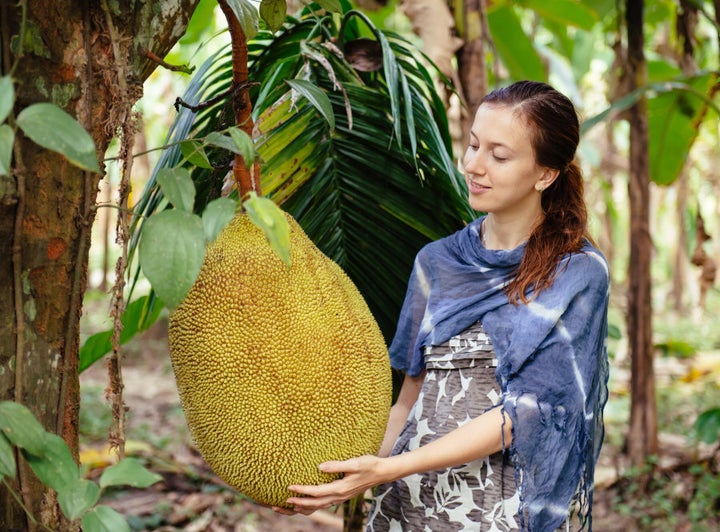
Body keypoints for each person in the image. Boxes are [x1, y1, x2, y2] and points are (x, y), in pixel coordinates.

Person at [276, 80, 610, 531]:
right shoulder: (437, 261)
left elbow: (525, 414)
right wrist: (336, 478)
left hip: (502, 510)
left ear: (545, 174)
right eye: (473, 145)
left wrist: (392, 468)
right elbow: (408, 403)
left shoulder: (578, 274)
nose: (473, 165)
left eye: (499, 155)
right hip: (410, 503)